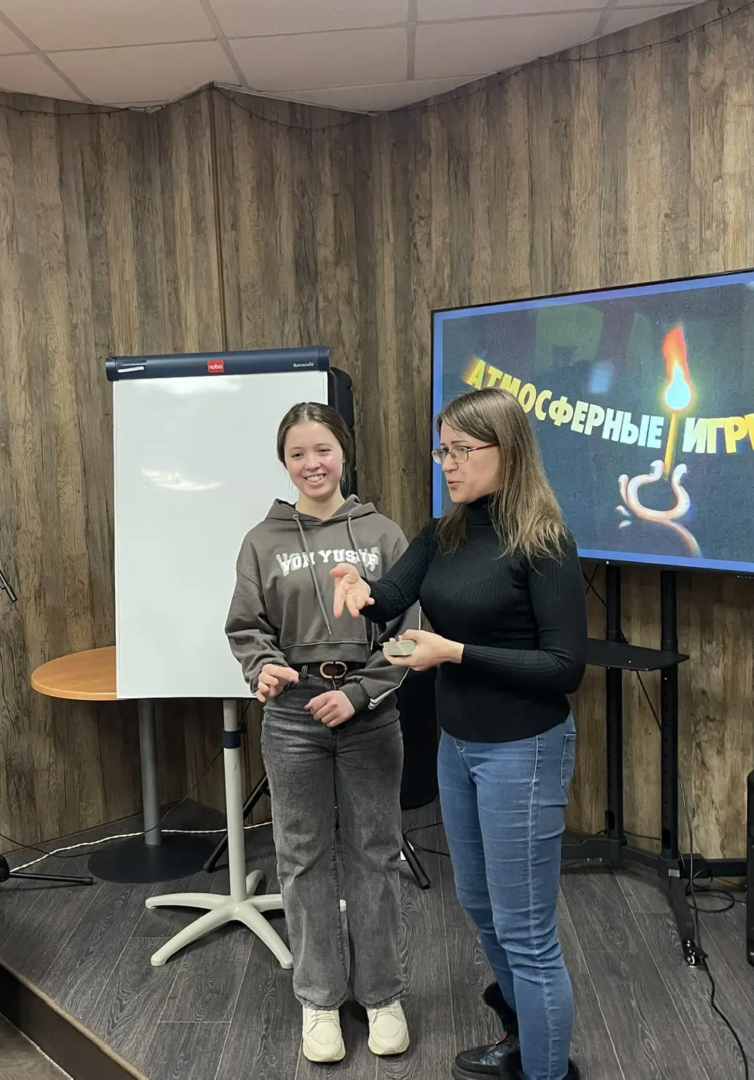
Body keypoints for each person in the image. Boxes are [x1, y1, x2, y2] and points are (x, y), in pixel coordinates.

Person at [331, 387, 588, 1080]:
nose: (448, 463)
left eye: (462, 450)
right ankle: (524, 1041)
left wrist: (454, 653)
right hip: (460, 748)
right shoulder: (441, 534)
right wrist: (359, 585)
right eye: (442, 450)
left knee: (526, 931)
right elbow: (389, 599)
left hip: (524, 751)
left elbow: (565, 667)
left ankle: (548, 1071)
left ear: (508, 451)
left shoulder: (545, 542)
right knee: (479, 904)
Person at [226, 402, 420, 1064]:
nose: (312, 464)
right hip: (292, 717)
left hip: (369, 715)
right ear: (284, 463)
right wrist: (264, 667)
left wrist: (359, 694)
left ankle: (382, 995)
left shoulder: (384, 534)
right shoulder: (262, 541)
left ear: (344, 453)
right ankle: (318, 1000)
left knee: (375, 852)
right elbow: (246, 627)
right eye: (298, 454)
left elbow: (407, 634)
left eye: (323, 450)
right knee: (302, 856)